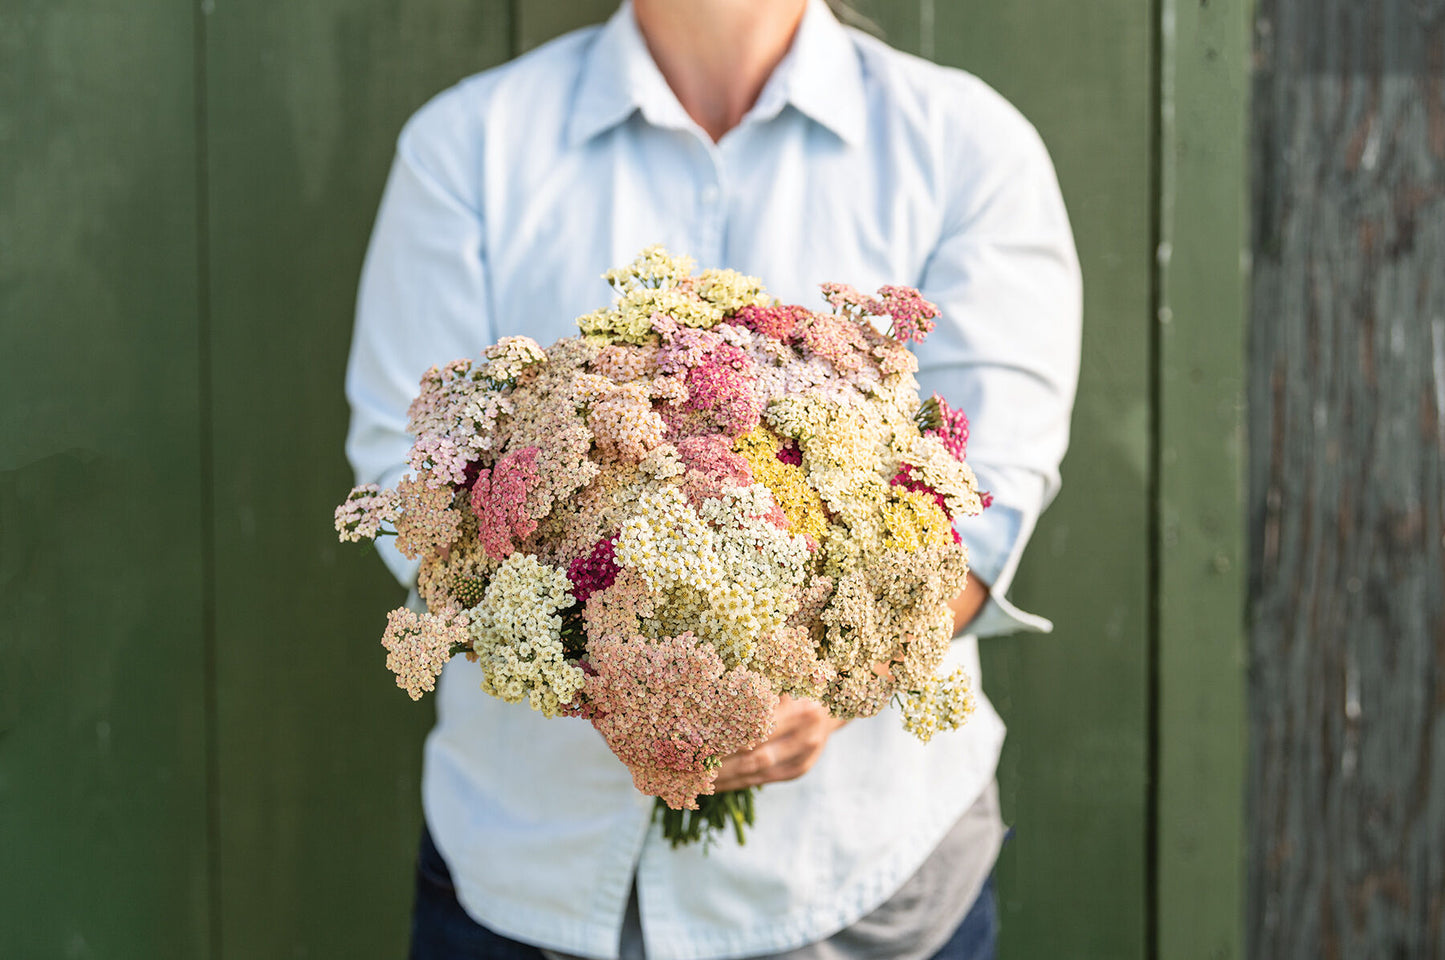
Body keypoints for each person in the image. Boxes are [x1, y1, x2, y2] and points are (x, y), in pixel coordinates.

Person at [344, 0, 1081, 957]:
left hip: (855, 884)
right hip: (531, 877)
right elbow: (406, 469)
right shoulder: (468, 145)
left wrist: (836, 677)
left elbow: (991, 489)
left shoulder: (963, 144)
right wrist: (612, 684)